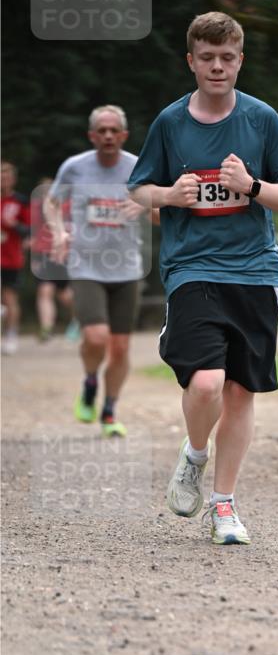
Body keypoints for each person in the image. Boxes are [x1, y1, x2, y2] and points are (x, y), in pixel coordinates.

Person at [128, 11, 278, 545]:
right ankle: (194, 454)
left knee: (240, 391)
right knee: (205, 383)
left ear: (240, 61)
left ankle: (224, 505)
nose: (217, 66)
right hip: (192, 268)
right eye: (206, 57)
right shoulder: (170, 123)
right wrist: (168, 195)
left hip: (255, 270)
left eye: (227, 57)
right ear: (191, 61)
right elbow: (139, 191)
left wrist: (251, 185)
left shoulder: (262, 120)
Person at [46, 105, 158, 437]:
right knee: (95, 337)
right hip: (86, 266)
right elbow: (52, 203)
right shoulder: (75, 168)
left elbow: (161, 215)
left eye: (114, 131)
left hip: (127, 268)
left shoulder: (139, 167)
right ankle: (90, 380)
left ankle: (109, 411)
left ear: (123, 135)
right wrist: (58, 232)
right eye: (102, 131)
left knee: (121, 347)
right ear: (92, 135)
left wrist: (145, 204)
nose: (108, 136)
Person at [29, 179, 78, 343]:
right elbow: (33, 231)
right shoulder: (36, 207)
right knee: (45, 290)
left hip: (63, 254)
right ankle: (47, 328)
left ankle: (80, 318)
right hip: (44, 254)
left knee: (64, 295)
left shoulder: (68, 206)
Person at [1, 161, 30, 355]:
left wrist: (13, 225)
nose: (3, 179)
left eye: (6, 175)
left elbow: (30, 229)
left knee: (10, 298)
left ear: (13, 179)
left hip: (11, 257)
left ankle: (11, 335)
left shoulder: (20, 201)